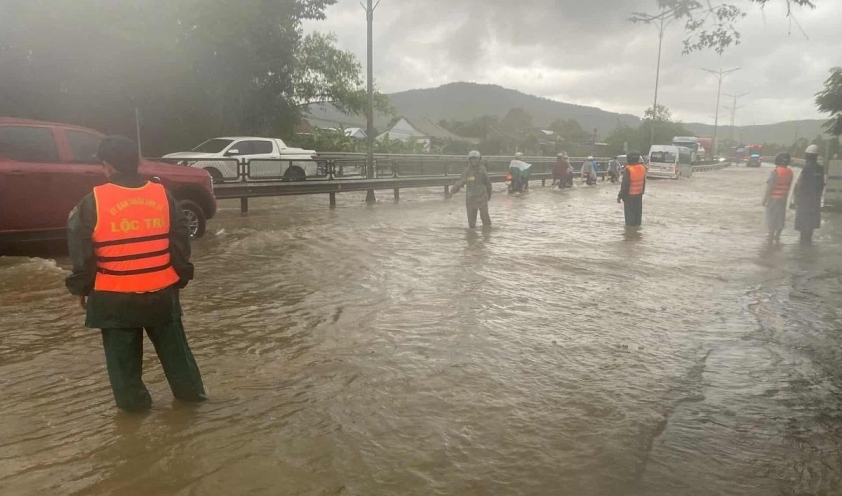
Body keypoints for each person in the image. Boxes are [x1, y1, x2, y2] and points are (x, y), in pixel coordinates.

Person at [66, 135, 206, 412]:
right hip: (162, 294)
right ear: (136, 163)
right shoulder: (163, 195)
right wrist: (181, 276)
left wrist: (82, 288)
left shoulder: (92, 202)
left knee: (124, 370)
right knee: (178, 359)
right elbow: (180, 242)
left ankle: (134, 419)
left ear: (108, 165)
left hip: (114, 299)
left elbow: (82, 252)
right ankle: (194, 407)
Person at [451, 150, 493, 228]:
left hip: (481, 197)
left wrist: (489, 194)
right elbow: (460, 182)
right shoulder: (467, 171)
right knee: (471, 221)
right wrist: (452, 192)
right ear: (469, 160)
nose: (474, 161)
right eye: (472, 159)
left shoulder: (482, 170)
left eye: (476, 159)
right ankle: (472, 234)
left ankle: (487, 233)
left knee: (485, 217)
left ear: (479, 159)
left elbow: (488, 183)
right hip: (470, 198)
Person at [793, 144, 826, 244]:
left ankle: (803, 244)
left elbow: (798, 183)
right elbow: (822, 184)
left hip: (804, 200)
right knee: (812, 223)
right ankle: (808, 242)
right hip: (815, 200)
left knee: (803, 224)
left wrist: (795, 197)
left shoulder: (806, 168)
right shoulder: (820, 169)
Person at [762, 152, 794, 245]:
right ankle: (778, 236)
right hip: (783, 198)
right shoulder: (790, 172)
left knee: (772, 217)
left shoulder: (776, 172)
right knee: (781, 217)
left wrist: (764, 199)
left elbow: (770, 187)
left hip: (774, 198)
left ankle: (770, 236)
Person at [617, 151, 646, 227]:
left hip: (629, 196)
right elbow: (644, 181)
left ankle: (630, 232)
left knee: (630, 217)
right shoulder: (642, 167)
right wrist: (642, 191)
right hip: (639, 195)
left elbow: (625, 184)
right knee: (638, 215)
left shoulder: (628, 169)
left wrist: (620, 196)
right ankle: (636, 230)